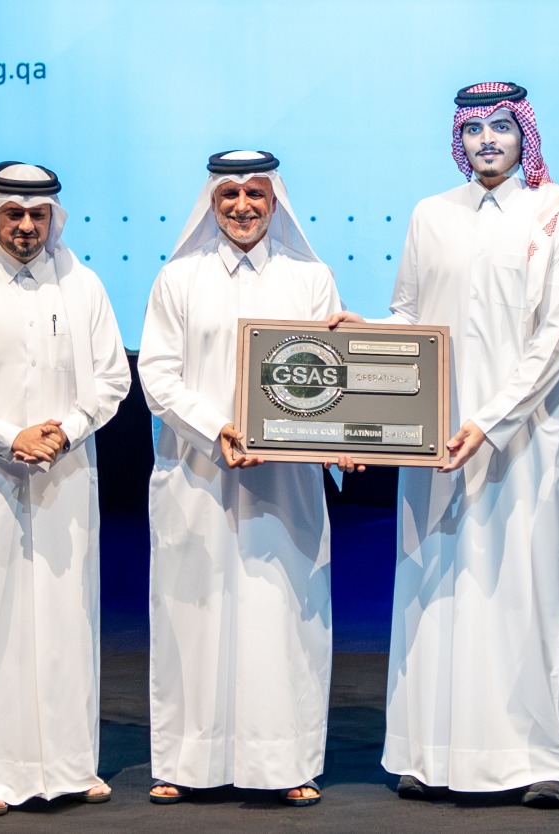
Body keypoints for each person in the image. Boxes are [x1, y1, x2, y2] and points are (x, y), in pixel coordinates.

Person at [329, 81, 559, 807]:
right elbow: (411, 318)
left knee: (523, 589)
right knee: (433, 587)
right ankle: (426, 751)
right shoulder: (431, 214)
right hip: (436, 438)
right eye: (473, 130)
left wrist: (492, 421)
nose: (486, 142)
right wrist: (365, 343)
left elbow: (555, 338)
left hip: (527, 437)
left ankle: (538, 761)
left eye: (501, 128)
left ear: (524, 134)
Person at [0, 161, 130, 816]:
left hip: (63, 476)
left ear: (53, 219)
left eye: (38, 215)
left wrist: (61, 432)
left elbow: (112, 380)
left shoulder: (84, 286)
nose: (27, 227)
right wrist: (11, 436)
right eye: (15, 215)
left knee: (65, 619)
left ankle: (67, 766)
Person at [139, 150, 344, 807]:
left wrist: (346, 439)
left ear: (275, 200)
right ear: (211, 203)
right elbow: (158, 377)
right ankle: (184, 762)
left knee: (282, 615)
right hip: (198, 475)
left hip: (285, 485)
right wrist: (215, 430)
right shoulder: (178, 279)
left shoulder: (311, 279)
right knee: (190, 616)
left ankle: (286, 764)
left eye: (256, 194)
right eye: (229, 196)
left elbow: (332, 377)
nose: (243, 207)